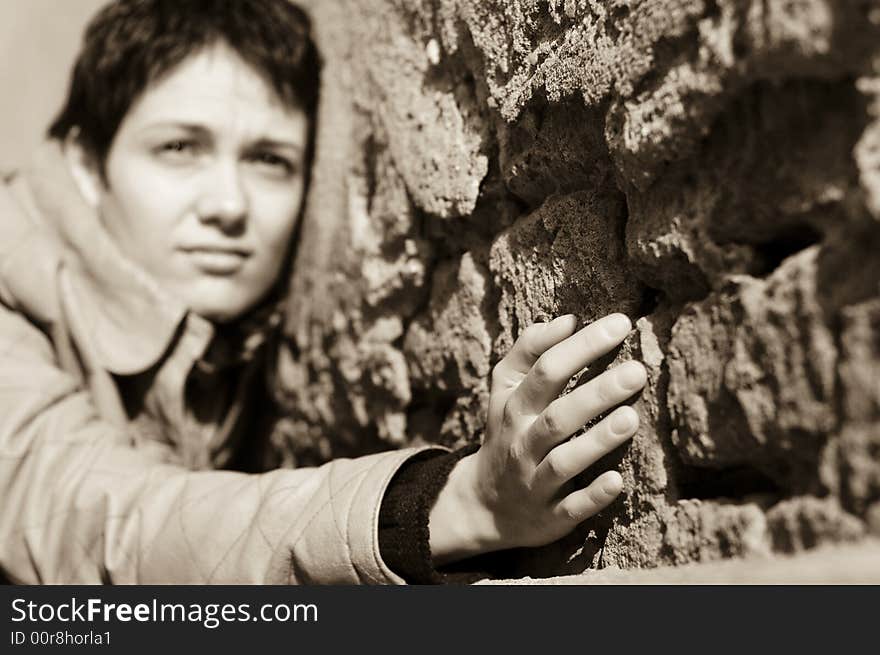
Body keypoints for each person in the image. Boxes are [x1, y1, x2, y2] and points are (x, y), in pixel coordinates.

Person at [0, 0, 647, 584]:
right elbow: (90, 526)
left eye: (269, 160)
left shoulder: (237, 331)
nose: (228, 205)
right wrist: (456, 501)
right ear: (87, 165)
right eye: (178, 147)